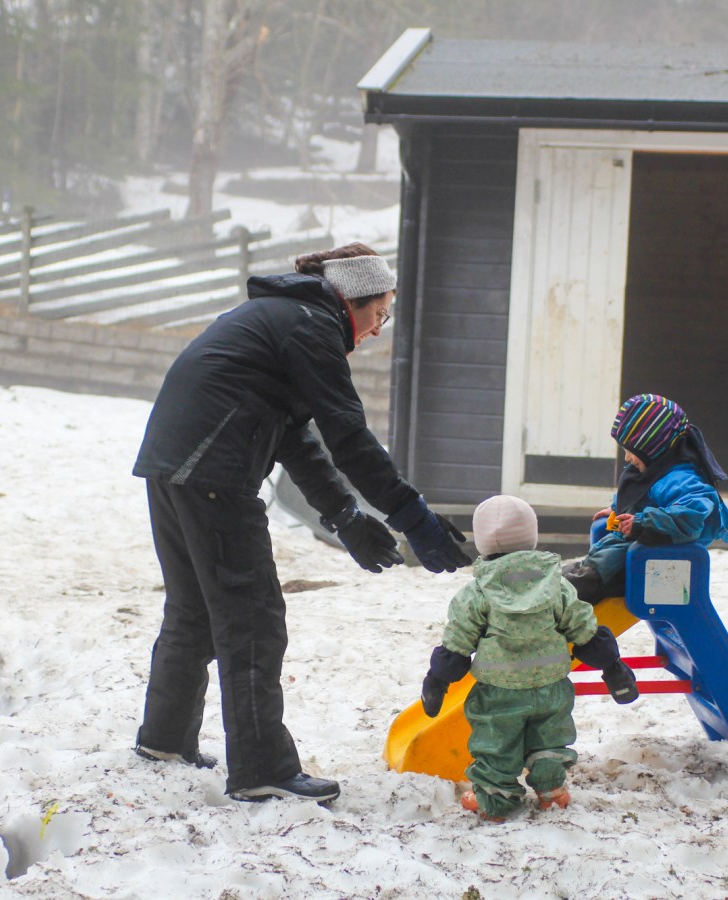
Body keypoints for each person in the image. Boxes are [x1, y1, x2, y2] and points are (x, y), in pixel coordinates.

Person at [132, 242, 471, 803]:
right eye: (380, 313)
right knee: (253, 620)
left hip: (173, 469)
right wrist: (415, 517)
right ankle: (262, 768)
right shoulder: (311, 325)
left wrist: (345, 517)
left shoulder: (286, 318)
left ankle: (165, 739)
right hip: (213, 473)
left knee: (193, 608)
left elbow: (297, 437)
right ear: (353, 300)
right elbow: (348, 435)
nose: (379, 329)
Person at [419, 495, 638, 822]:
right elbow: (583, 627)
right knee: (549, 738)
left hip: (499, 692)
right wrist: (613, 668)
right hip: (550, 686)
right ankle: (552, 791)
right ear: (531, 537)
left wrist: (437, 681)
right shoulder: (558, 585)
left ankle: (494, 800)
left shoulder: (476, 593)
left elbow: (457, 644)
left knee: (496, 742)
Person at [563, 393, 728, 605]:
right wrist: (618, 508)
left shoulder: (680, 479)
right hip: (635, 556)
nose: (627, 458)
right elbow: (640, 494)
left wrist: (642, 522)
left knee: (582, 580)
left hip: (654, 568)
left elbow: (692, 514)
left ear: (652, 448)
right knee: (572, 573)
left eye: (630, 451)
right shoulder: (659, 470)